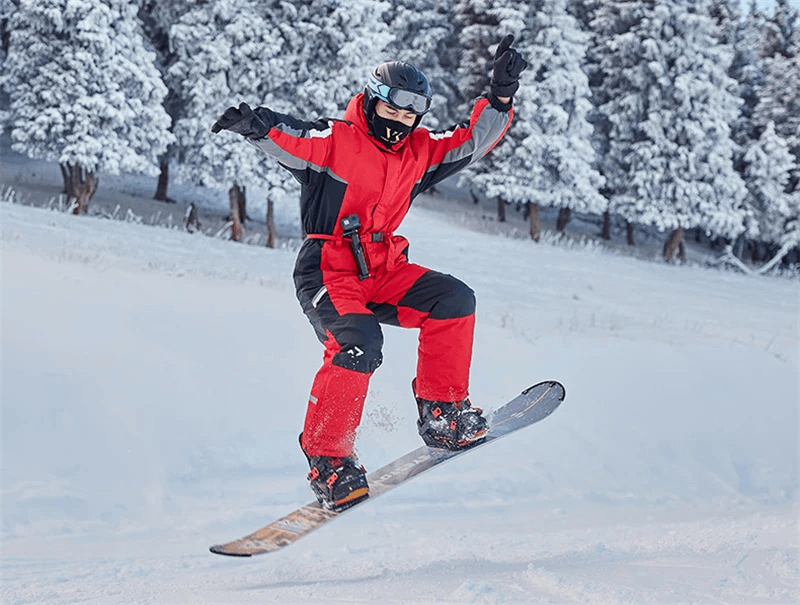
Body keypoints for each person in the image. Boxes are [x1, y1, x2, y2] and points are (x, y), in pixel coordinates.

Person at [212, 35, 527, 511]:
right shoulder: (336, 141)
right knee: (357, 344)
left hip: (382, 268)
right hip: (328, 270)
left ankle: (443, 412)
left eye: (410, 116)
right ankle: (329, 460)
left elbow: (470, 140)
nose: (401, 125)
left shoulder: (420, 153)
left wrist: (500, 96)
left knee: (454, 300)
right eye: (394, 112)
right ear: (373, 101)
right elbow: (290, 135)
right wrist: (256, 125)